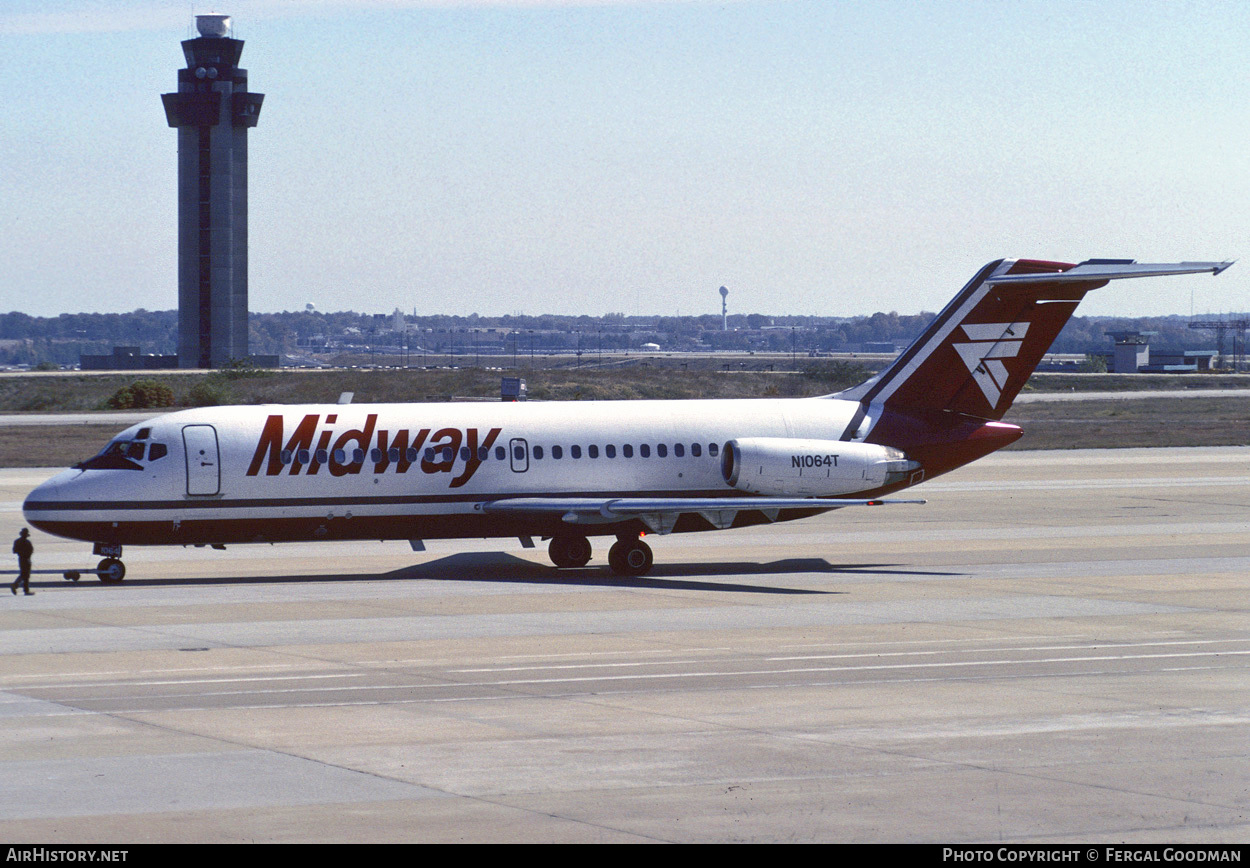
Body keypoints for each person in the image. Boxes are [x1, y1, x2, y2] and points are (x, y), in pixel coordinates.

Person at [11, 528, 33, 596]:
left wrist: (20, 552)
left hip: (21, 559)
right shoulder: (27, 542)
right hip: (26, 559)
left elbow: (14, 551)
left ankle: (18, 586)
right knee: (26, 575)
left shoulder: (17, 541)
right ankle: (18, 586)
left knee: (23, 574)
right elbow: (31, 551)